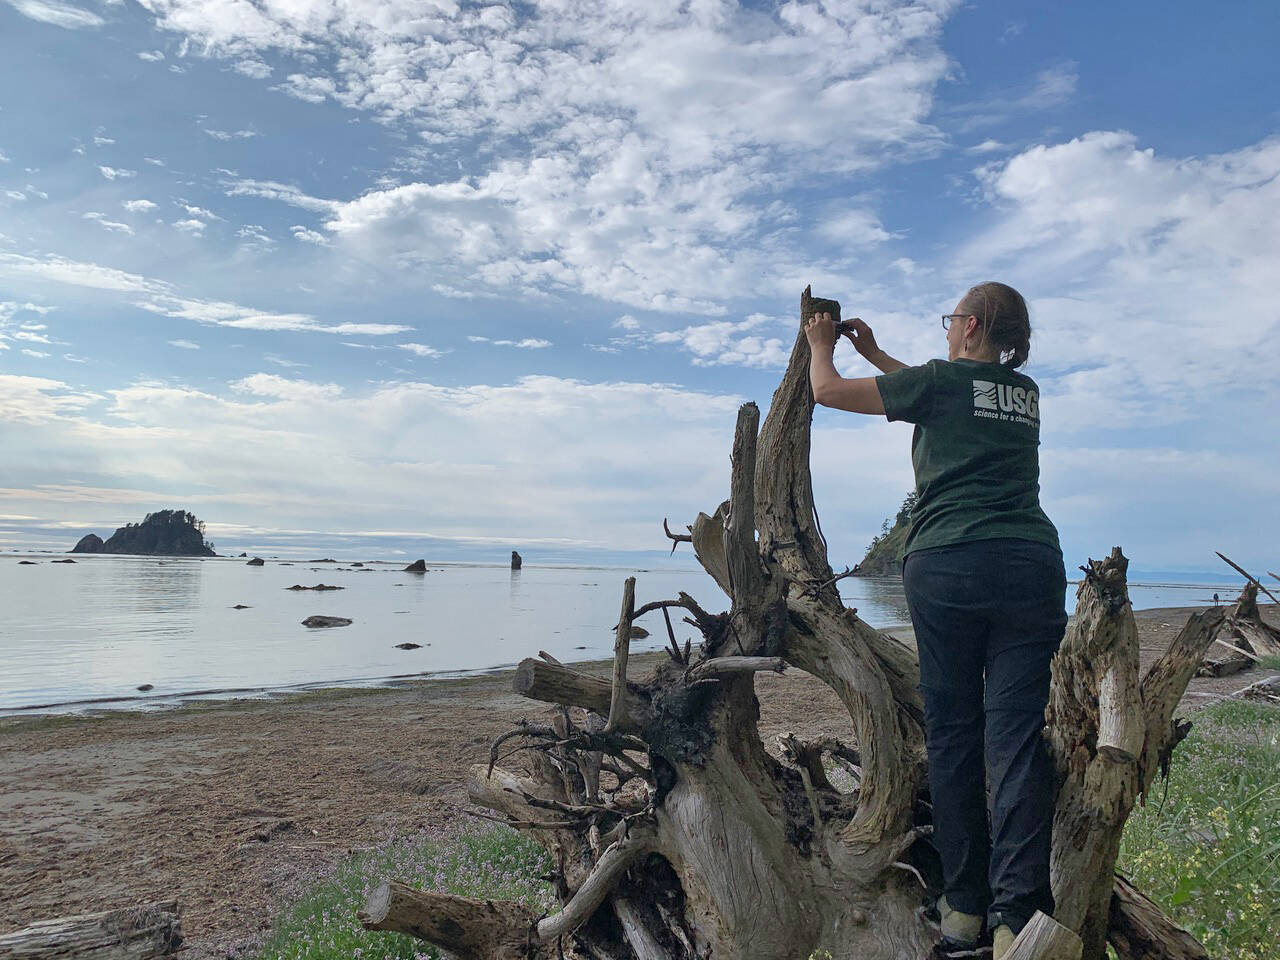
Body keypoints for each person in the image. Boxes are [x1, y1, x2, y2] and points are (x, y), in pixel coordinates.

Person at [804, 282, 1067, 960]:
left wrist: (821, 346)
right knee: (1014, 739)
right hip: (1031, 565)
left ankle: (962, 913)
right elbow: (947, 395)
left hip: (951, 564)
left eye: (952, 320)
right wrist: (884, 354)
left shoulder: (942, 385)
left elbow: (828, 392)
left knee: (954, 735)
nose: (948, 329)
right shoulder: (1024, 394)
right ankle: (1019, 919)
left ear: (972, 324)